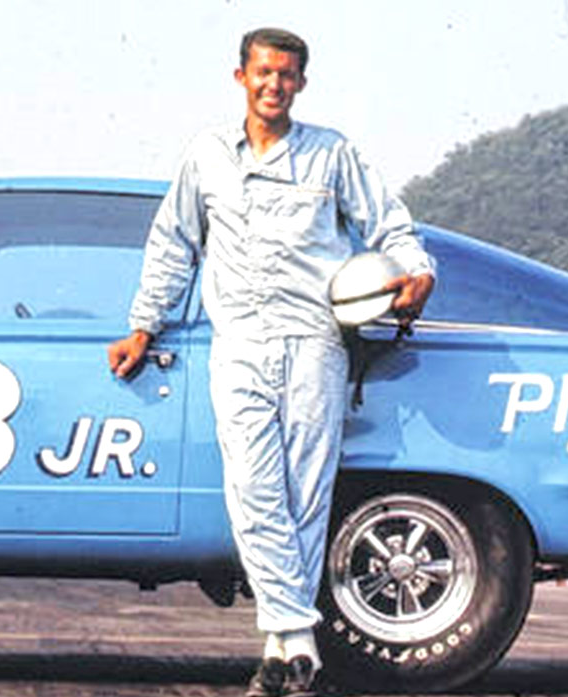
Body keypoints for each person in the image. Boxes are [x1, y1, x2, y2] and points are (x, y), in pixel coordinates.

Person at [107, 28, 435, 697]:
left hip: (315, 341)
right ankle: (300, 635)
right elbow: (174, 243)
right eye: (263, 72)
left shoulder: (332, 154)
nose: (273, 84)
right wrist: (144, 325)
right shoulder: (206, 156)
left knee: (304, 495)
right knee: (252, 491)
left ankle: (282, 652)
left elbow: (391, 227)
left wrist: (417, 272)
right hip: (241, 345)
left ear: (301, 84)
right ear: (240, 77)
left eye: (287, 75)